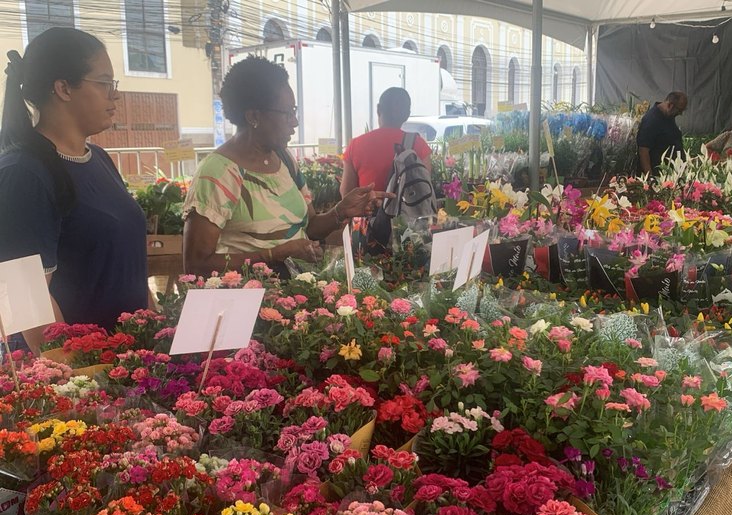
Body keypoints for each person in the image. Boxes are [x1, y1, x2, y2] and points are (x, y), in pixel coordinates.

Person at [0, 28, 148, 353]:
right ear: (63, 88)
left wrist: (153, 334)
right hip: (80, 369)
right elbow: (27, 301)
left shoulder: (99, 159)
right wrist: (80, 373)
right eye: (104, 83)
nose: (115, 95)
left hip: (129, 360)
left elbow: (128, 265)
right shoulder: (23, 173)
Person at [183, 56, 390, 276]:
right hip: (250, 295)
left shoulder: (284, 159)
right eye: (287, 113)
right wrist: (273, 255)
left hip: (299, 289)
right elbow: (196, 264)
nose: (295, 122)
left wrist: (340, 211)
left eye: (295, 111)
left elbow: (309, 226)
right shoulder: (218, 173)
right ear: (254, 116)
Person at [340, 87, 432, 196]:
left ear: (378, 109)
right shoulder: (419, 145)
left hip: (368, 207)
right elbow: (425, 189)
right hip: (407, 207)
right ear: (407, 114)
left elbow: (346, 193)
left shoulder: (356, 145)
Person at [637, 91, 688, 175]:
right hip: (659, 172)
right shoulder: (651, 120)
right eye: (679, 110)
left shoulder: (668, 115)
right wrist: (650, 177)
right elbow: (643, 151)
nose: (680, 113)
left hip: (672, 172)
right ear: (670, 105)